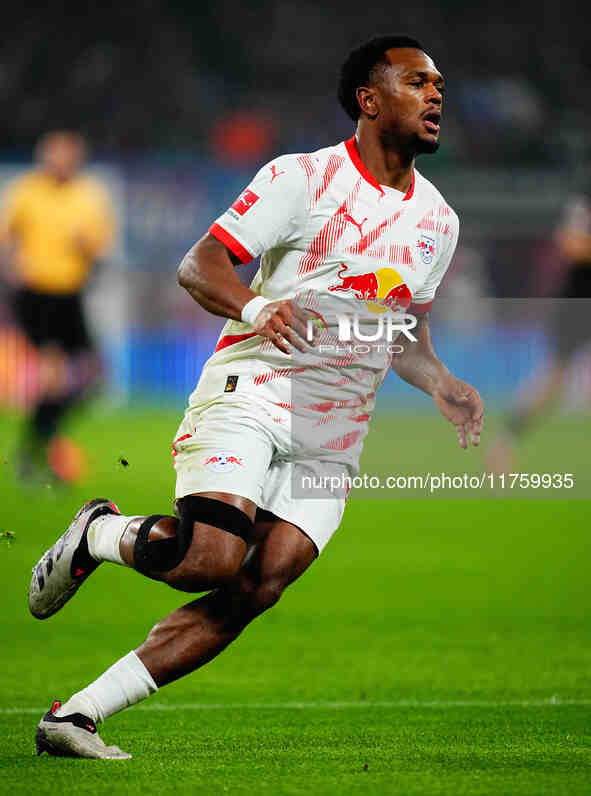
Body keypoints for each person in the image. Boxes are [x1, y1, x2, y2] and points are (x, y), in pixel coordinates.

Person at [29, 36, 484, 759]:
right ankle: (99, 534)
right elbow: (199, 265)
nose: (435, 95)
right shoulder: (302, 179)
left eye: (439, 84)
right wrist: (254, 307)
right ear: (368, 100)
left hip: (335, 435)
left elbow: (402, 332)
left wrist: (440, 382)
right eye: (416, 81)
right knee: (211, 559)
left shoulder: (439, 222)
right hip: (256, 393)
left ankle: (75, 716)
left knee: (259, 585)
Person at [0, 131, 114, 482]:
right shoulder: (27, 190)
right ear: (44, 158)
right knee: (52, 376)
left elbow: (99, 248)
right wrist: (11, 273)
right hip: (37, 295)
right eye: (55, 155)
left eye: (68, 156)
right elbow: (7, 237)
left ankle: (39, 443)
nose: (61, 162)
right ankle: (37, 453)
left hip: (70, 295)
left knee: (92, 376)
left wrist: (85, 247)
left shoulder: (89, 195)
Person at [487, 172, 591, 473]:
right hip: (578, 304)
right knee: (552, 380)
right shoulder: (586, 197)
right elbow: (572, 244)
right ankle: (505, 442)